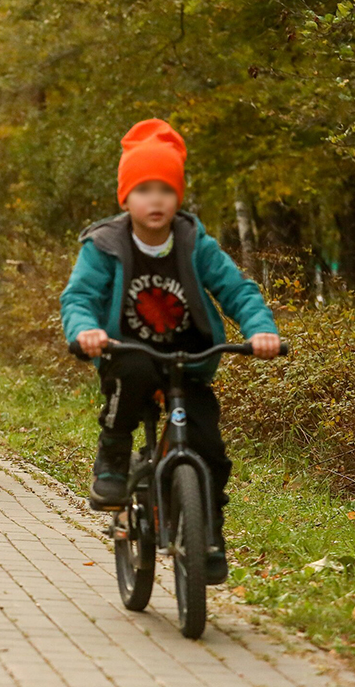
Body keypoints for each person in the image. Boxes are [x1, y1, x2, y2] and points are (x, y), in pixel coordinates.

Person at [60, 119, 280, 585]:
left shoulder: (193, 241)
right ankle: (115, 454)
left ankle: (208, 536)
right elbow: (79, 298)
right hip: (127, 351)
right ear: (126, 198)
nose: (155, 199)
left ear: (178, 195)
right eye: (143, 189)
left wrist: (261, 330)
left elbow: (237, 290)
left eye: (165, 188)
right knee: (133, 369)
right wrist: (86, 332)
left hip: (189, 359)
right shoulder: (106, 244)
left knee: (211, 452)